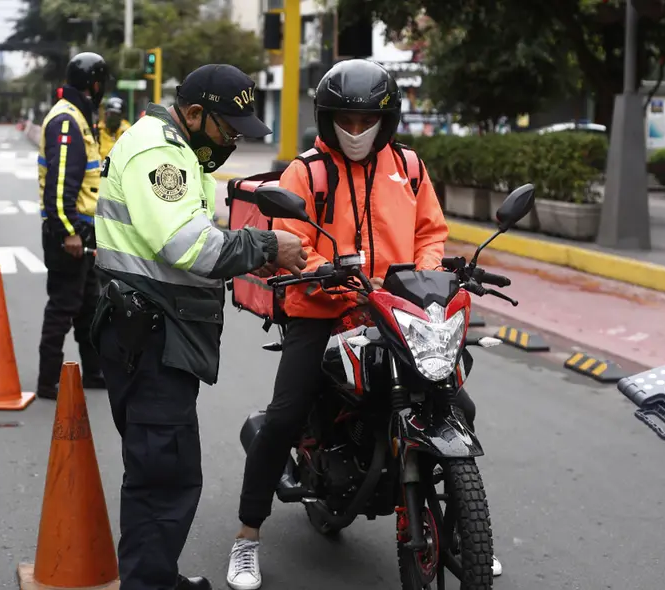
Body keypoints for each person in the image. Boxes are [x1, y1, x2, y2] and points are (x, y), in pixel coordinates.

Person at [224, 59, 504, 590]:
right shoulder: (306, 172)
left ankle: (467, 535)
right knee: (284, 416)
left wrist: (424, 275)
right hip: (322, 309)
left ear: (386, 120)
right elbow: (292, 242)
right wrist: (327, 275)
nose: (356, 131)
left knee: (456, 406)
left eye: (366, 121)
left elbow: (430, 232)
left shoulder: (409, 167)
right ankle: (247, 537)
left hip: (396, 309)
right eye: (345, 121)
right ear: (327, 120)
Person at [89, 64, 308, 590]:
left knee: (161, 472)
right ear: (193, 114)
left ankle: (155, 576)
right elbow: (188, 246)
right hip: (150, 338)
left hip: (152, 334)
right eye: (228, 129)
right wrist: (265, 246)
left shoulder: (178, 150)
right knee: (163, 477)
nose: (232, 141)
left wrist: (247, 258)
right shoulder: (160, 153)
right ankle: (149, 583)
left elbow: (191, 240)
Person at [35, 51, 111, 400]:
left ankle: (93, 372)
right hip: (69, 230)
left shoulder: (78, 116)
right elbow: (60, 183)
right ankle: (48, 381)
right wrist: (69, 232)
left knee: (88, 306)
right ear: (93, 84)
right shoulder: (66, 120)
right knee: (63, 307)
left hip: (83, 229)